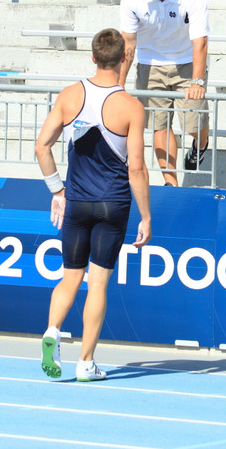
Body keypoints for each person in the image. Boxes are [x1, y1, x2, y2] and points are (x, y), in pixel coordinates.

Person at [35, 27, 151, 382]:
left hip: (78, 201)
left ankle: (53, 330)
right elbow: (136, 167)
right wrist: (146, 216)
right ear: (124, 59)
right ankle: (85, 363)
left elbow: (42, 147)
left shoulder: (70, 96)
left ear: (92, 57)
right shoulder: (131, 106)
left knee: (69, 278)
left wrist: (58, 190)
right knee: (97, 284)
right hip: (112, 204)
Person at [119, 0, 210, 187]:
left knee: (193, 124)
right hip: (150, 63)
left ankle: (200, 145)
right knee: (159, 124)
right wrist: (118, 85)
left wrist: (197, 82)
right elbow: (128, 42)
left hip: (187, 62)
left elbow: (200, 41)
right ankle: (171, 182)